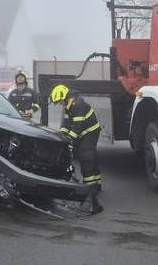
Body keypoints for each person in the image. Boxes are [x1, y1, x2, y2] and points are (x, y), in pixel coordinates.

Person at [50, 84, 103, 215]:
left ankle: (90, 189)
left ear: (65, 97)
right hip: (84, 132)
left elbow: (77, 127)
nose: (60, 104)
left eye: (60, 102)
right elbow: (67, 124)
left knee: (86, 156)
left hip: (90, 131)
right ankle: (97, 184)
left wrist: (69, 141)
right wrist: (61, 137)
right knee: (90, 155)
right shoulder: (69, 105)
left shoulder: (77, 105)